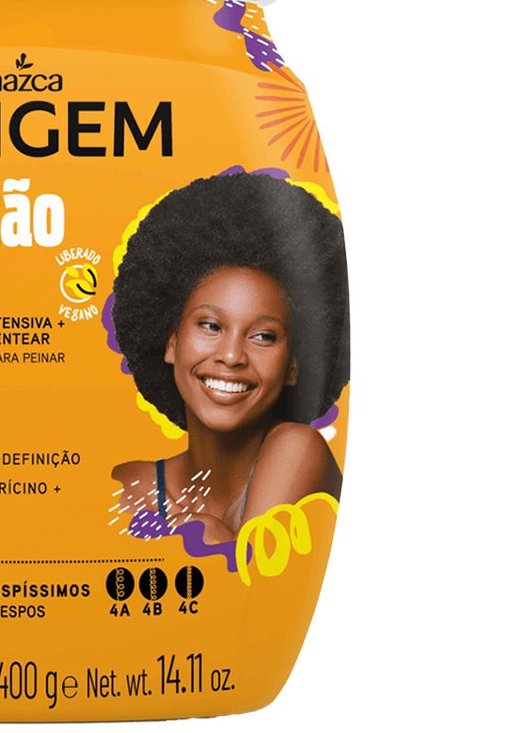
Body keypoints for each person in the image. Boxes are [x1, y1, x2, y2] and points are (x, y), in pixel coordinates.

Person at [111, 172, 349, 543]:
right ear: (171, 342)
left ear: (293, 366)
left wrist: (207, 532)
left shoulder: (298, 450)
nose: (232, 355)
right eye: (210, 326)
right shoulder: (127, 485)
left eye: (263, 336)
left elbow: (246, 572)